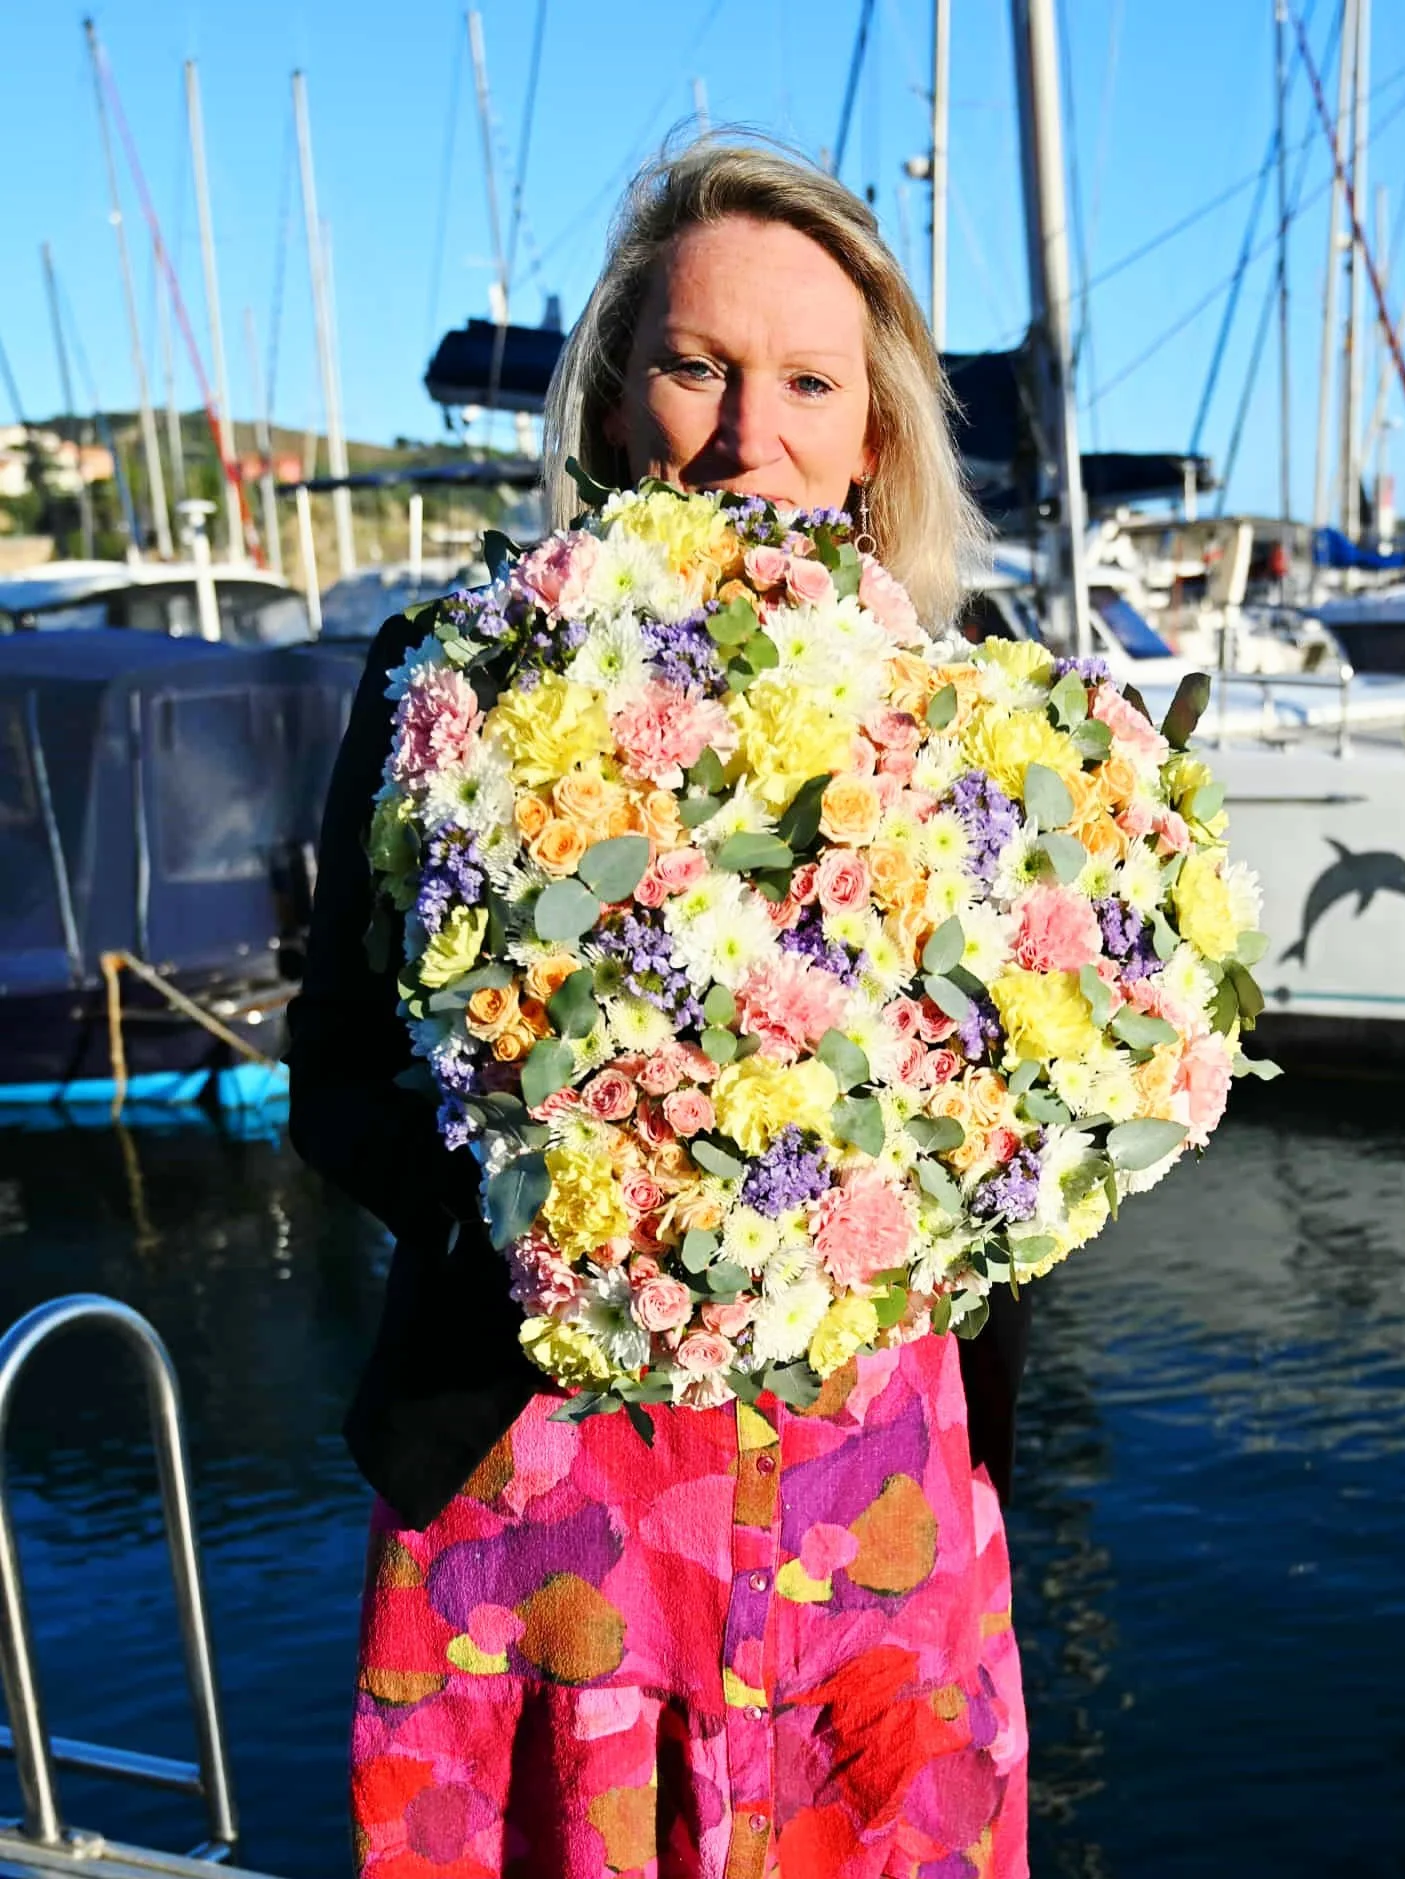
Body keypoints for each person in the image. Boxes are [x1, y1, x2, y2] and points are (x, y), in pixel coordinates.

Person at [288, 140, 1032, 1879]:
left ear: (875, 432)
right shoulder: (447, 678)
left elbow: (1028, 1120)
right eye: (698, 367)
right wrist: (578, 1209)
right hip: (535, 1485)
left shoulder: (974, 722)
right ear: (620, 402)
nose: (748, 430)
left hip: (876, 1497)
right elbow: (337, 1078)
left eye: (809, 382)